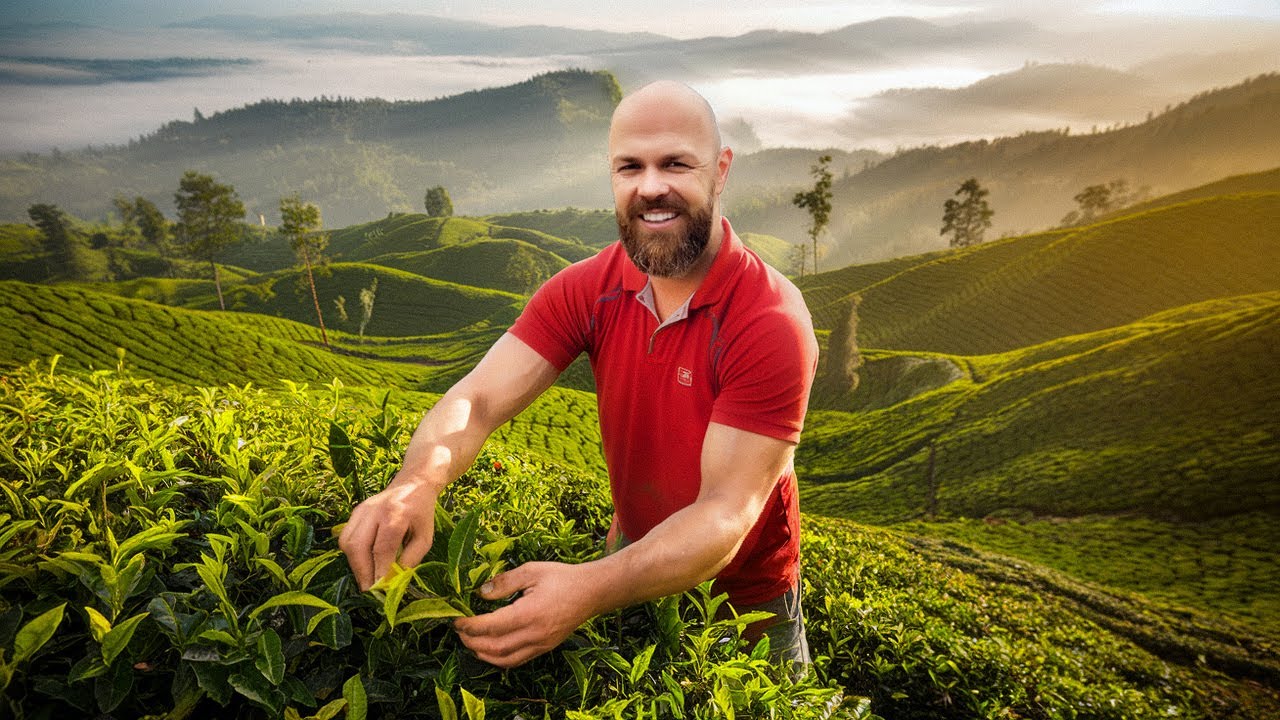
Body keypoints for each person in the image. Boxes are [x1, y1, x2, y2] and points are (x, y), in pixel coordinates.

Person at [338, 81, 819, 669]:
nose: (650, 187)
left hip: (745, 600)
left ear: (720, 171)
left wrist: (590, 587)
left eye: (675, 164)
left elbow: (724, 513)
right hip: (629, 552)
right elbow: (479, 399)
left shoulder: (769, 321)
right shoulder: (588, 289)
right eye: (629, 167)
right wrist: (416, 482)